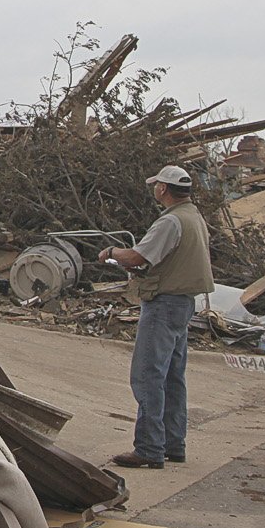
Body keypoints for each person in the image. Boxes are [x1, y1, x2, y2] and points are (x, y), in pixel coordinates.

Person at [96, 164, 214, 469]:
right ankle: (174, 444)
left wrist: (112, 252)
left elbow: (137, 256)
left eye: (156, 185)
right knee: (174, 376)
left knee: (148, 375)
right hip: (184, 302)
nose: (154, 189)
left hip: (163, 303)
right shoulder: (194, 217)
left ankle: (149, 448)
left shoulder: (171, 221)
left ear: (163, 189)